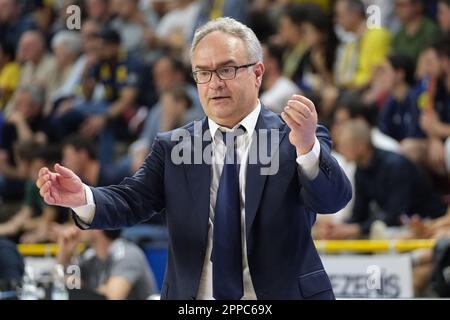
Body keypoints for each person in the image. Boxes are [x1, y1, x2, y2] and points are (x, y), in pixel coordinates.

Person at [37, 17, 352, 300]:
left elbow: (332, 200)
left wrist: (308, 150)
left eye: (227, 69)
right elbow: (133, 200)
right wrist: (84, 197)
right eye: (203, 72)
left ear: (257, 73)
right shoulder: (172, 145)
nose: (215, 83)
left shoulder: (294, 137)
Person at [55, 226, 157, 300]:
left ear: (98, 227)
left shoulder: (128, 254)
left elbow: (112, 296)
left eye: (80, 221)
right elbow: (63, 284)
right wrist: (64, 252)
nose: (75, 227)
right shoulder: (91, 256)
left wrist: (83, 289)